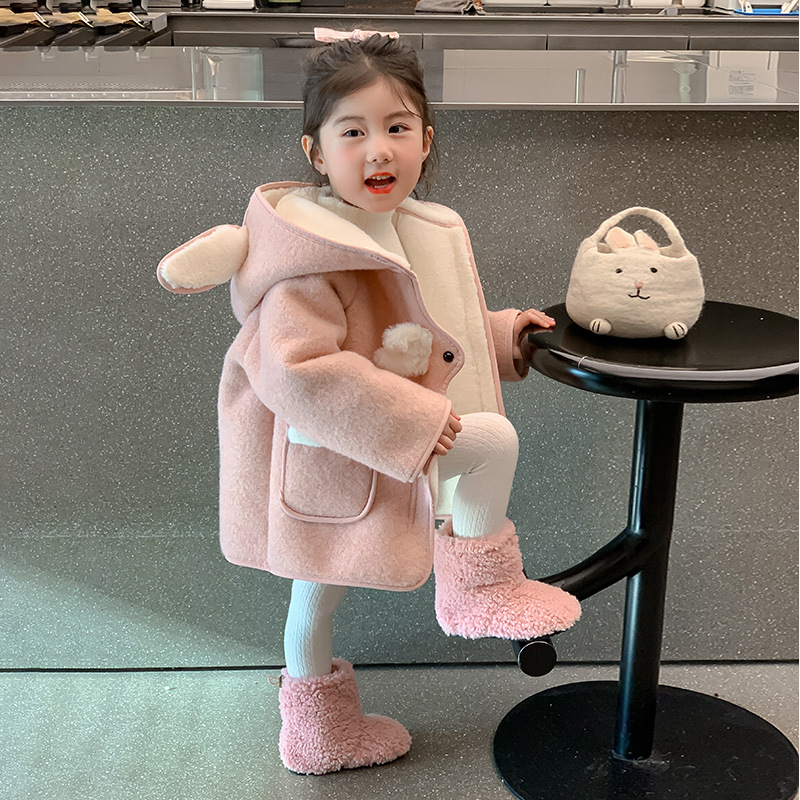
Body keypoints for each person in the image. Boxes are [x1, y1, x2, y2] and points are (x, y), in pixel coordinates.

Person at [157, 31, 580, 776]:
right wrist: (413, 420)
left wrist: (502, 335)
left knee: (321, 588)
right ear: (316, 153)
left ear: (426, 140)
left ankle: (324, 728)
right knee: (325, 582)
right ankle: (473, 591)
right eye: (352, 132)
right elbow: (297, 370)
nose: (378, 150)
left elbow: (428, 328)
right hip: (334, 449)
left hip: (379, 440)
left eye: (397, 127)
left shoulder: (414, 229)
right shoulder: (308, 256)